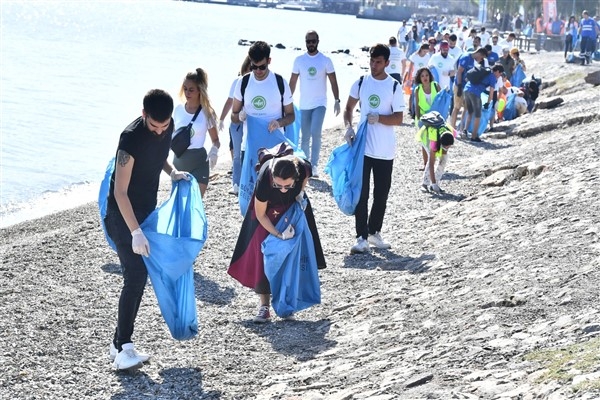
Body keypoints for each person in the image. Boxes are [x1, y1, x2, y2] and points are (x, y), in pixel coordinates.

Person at [104, 89, 190, 371]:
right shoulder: (130, 140)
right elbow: (119, 192)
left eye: (164, 126)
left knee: (142, 275)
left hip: (147, 213)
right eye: (154, 126)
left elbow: (159, 155)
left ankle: (118, 345)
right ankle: (124, 347)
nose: (159, 131)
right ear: (144, 115)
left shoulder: (167, 125)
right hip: (121, 215)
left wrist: (172, 172)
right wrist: (135, 232)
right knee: (136, 274)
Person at [228, 153, 326, 322]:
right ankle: (264, 307)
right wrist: (279, 234)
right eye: (278, 185)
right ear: (272, 177)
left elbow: (304, 180)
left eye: (287, 185)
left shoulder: (302, 169)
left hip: (291, 208)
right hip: (266, 214)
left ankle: (287, 303)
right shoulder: (265, 180)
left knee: (292, 255)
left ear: (295, 178)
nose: (282, 189)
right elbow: (260, 214)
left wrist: (299, 194)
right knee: (264, 254)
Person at [342, 43, 405, 254]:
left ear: (387, 63)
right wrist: (349, 128)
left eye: (378, 62)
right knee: (361, 193)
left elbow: (399, 118)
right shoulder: (361, 82)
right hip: (363, 147)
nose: (374, 65)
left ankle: (374, 231)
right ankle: (360, 237)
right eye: (371, 60)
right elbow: (348, 108)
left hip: (385, 149)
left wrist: (379, 118)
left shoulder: (394, 86)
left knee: (382, 194)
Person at [231, 41, 295, 164]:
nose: (258, 71)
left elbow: (291, 115)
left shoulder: (280, 82)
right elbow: (233, 116)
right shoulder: (243, 83)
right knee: (250, 183)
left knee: (274, 183)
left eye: (262, 67)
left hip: (275, 146)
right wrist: (239, 116)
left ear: (269, 61)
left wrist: (279, 122)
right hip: (250, 146)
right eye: (254, 67)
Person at [289, 30, 341, 178]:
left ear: (318, 41)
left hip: (320, 103)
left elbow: (333, 81)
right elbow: (292, 82)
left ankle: (315, 164)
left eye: (313, 41)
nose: (311, 44)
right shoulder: (299, 60)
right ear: (305, 42)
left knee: (316, 132)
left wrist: (337, 100)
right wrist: (286, 100)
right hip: (304, 104)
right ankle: (305, 165)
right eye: (308, 41)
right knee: (304, 136)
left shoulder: (325, 60)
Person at [172, 68, 220, 198]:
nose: (187, 92)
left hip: (199, 162)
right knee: (179, 204)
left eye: (191, 89)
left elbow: (216, 140)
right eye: (185, 88)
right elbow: (170, 134)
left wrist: (214, 150)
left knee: (195, 204)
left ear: (199, 90)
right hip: (179, 161)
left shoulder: (207, 113)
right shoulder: (178, 110)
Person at [417, 112, 455, 194]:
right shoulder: (434, 141)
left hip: (440, 139)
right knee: (432, 159)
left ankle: (436, 183)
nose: (447, 149)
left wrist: (435, 182)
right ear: (441, 143)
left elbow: (445, 150)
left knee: (444, 159)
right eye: (445, 147)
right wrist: (433, 183)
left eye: (449, 146)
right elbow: (431, 163)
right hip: (426, 138)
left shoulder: (451, 133)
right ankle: (424, 184)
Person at [450, 48, 487, 132]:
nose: (480, 60)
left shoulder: (472, 60)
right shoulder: (466, 57)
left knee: (466, 107)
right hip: (459, 85)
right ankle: (452, 129)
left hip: (466, 86)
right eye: (481, 58)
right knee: (457, 107)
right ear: (479, 53)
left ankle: (461, 128)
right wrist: (459, 86)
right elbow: (459, 72)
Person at [462, 64, 499, 142]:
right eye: (500, 73)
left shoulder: (484, 71)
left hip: (466, 89)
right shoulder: (492, 77)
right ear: (497, 71)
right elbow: (491, 93)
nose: (500, 76)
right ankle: (474, 136)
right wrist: (488, 103)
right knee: (478, 115)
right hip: (475, 92)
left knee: (470, 112)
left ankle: (464, 131)